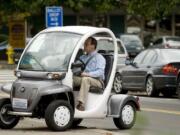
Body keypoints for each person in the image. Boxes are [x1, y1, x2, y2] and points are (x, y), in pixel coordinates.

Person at [73, 37, 106, 111]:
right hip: (82, 77)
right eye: (84, 44)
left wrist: (87, 74)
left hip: (97, 81)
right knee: (69, 78)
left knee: (86, 79)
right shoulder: (82, 57)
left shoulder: (99, 58)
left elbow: (100, 72)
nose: (84, 46)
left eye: (86, 44)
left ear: (93, 46)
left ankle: (81, 104)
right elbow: (76, 68)